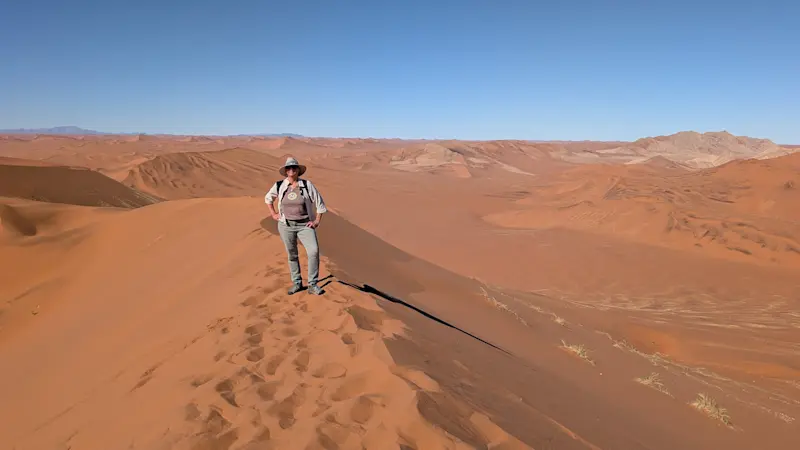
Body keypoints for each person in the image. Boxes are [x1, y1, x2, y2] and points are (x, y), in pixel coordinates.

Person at [265, 157, 328, 295]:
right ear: (286, 171)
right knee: (292, 254)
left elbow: (320, 204)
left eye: (294, 168)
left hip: (305, 225)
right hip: (286, 225)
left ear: (298, 170)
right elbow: (268, 198)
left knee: (313, 251)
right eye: (289, 168)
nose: (291, 170)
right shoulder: (280, 185)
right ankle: (297, 283)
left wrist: (316, 221)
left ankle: (312, 284)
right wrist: (273, 213)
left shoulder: (306, 185)